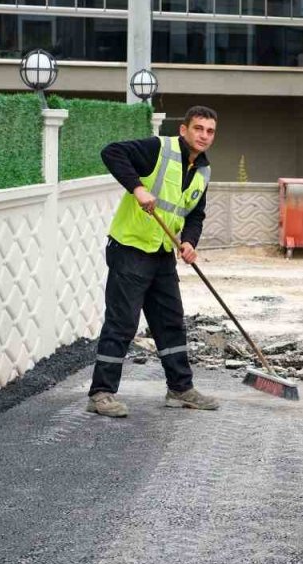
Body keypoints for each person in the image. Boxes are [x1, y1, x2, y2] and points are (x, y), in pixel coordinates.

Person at [86, 106, 219, 418]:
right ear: (184, 130)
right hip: (130, 247)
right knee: (123, 322)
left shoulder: (203, 171)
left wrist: (189, 242)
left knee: (170, 321)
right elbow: (112, 152)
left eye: (210, 131)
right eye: (198, 128)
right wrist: (138, 188)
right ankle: (101, 393)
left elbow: (195, 214)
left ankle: (180, 389)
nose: (204, 136)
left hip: (161, 253)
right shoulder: (159, 148)